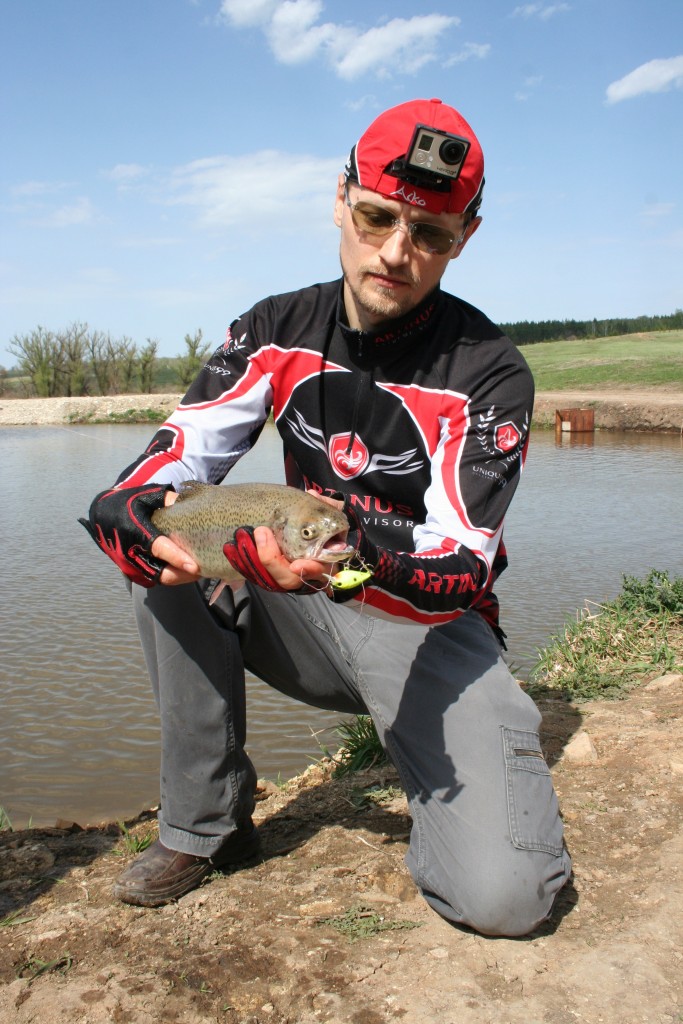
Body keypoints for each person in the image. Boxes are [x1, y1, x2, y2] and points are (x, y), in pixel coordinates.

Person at [81, 97, 571, 936]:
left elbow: (461, 566)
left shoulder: (490, 373)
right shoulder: (273, 327)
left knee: (505, 900)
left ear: (465, 237)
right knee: (166, 552)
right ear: (339, 199)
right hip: (297, 601)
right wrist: (124, 507)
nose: (395, 252)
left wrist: (357, 561)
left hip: (426, 626)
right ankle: (206, 827)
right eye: (376, 217)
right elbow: (176, 457)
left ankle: (453, 791)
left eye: (431, 234)